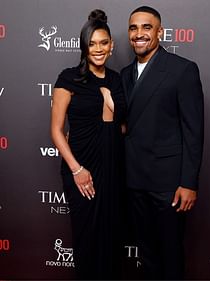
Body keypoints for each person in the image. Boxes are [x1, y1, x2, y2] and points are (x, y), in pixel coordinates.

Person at [120, 5, 204, 280]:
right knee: (146, 254)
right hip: (134, 181)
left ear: (160, 32)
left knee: (170, 253)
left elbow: (194, 131)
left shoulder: (182, 70)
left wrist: (189, 182)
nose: (139, 33)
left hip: (169, 184)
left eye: (146, 27)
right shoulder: (124, 75)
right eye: (133, 28)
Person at [50, 9, 125, 279]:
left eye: (103, 43)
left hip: (112, 167)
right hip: (80, 167)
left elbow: (121, 125)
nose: (98, 49)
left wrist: (109, 101)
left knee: (110, 237)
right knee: (87, 236)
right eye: (92, 43)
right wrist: (77, 170)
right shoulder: (68, 78)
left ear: (111, 46)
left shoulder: (117, 80)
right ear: (84, 46)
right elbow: (57, 131)